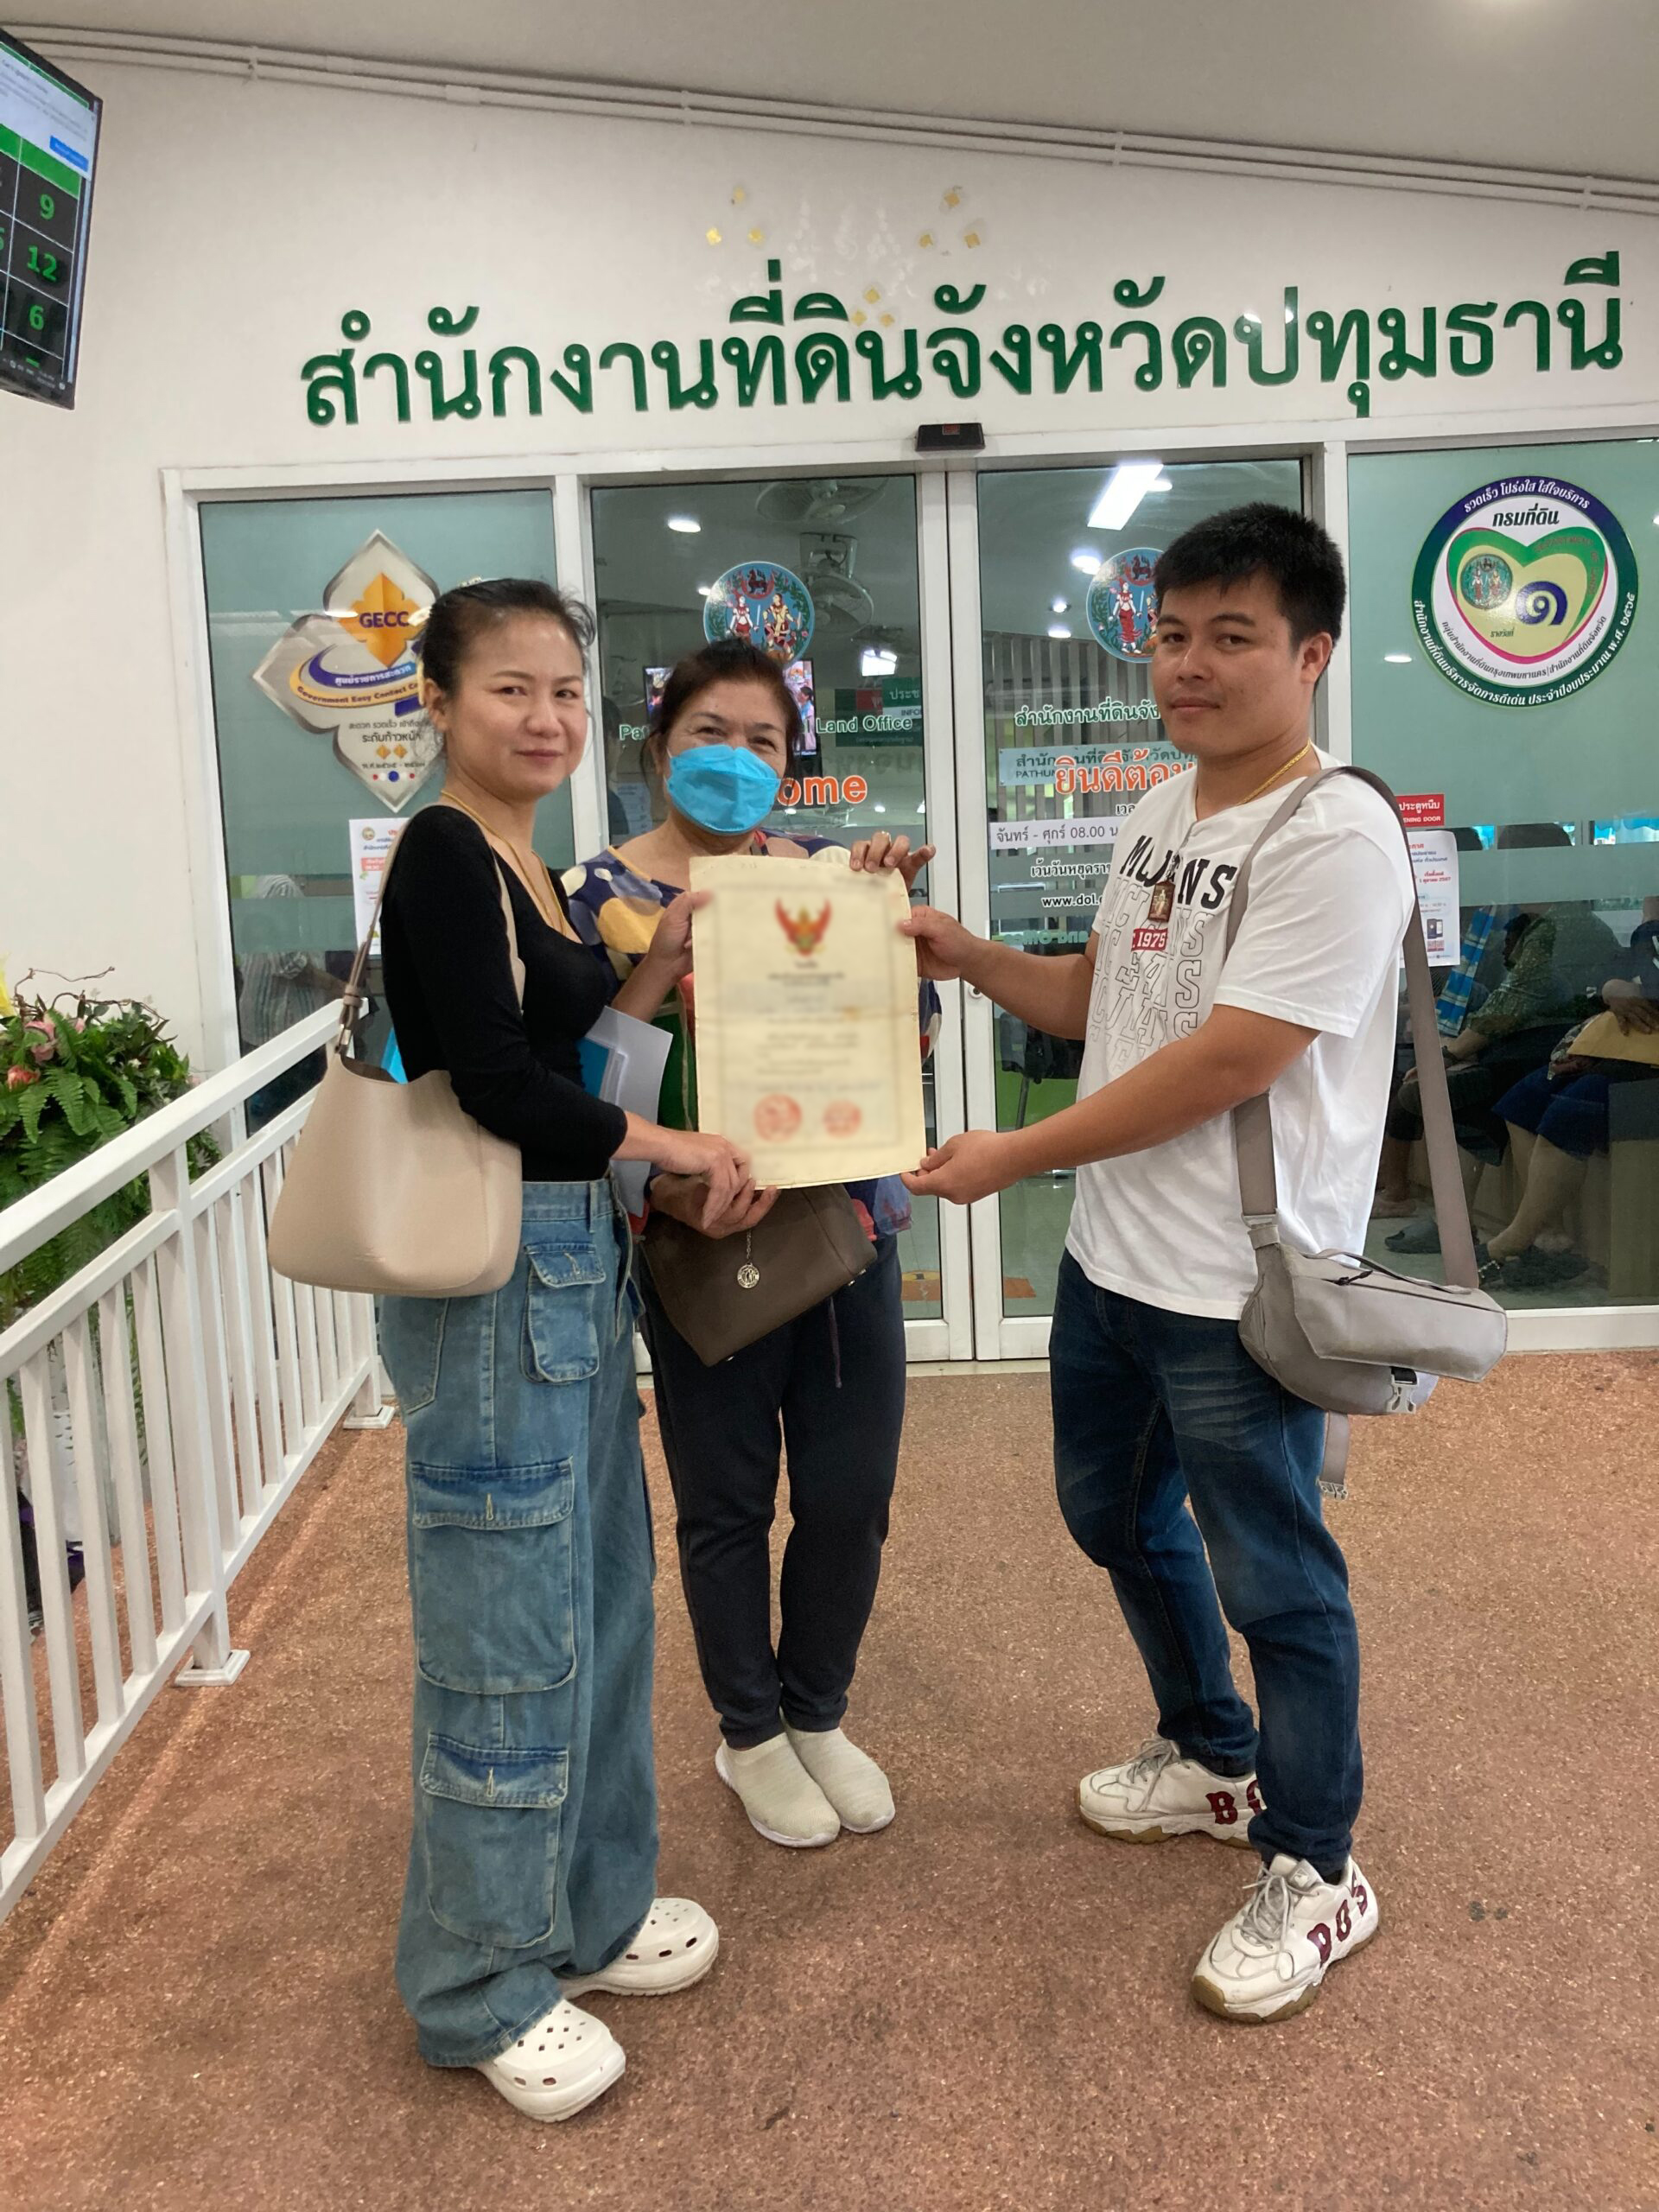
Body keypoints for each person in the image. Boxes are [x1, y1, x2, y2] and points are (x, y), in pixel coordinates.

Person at [900, 505, 1413, 2024]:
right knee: (1110, 1513)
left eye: (1232, 636)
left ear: (1312, 653)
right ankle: (1212, 1756)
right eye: (1173, 634)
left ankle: (1318, 1863)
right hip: (1114, 1265)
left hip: (1241, 1290)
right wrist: (968, 955)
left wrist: (1011, 1154)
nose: (1189, 664)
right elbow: (1099, 1007)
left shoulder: (1334, 836)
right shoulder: (1160, 810)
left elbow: (1230, 1061)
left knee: (1281, 1582)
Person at [375, 579, 747, 2122]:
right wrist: (672, 1143)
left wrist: (659, 966)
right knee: (506, 1633)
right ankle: (475, 1986)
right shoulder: (444, 853)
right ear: (439, 703)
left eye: (567, 692)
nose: (545, 718)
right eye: (510, 689)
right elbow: (497, 1086)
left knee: (596, 1597)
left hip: (570, 1266)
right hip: (490, 1281)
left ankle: (588, 1915)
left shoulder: (526, 855)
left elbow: (567, 1049)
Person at [563, 639, 938, 1851]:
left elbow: (912, 1040)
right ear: (659, 747)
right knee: (726, 1504)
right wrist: (664, 1183)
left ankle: (816, 1711)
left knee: (851, 1494)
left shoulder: (827, 875)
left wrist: (888, 924)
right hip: (696, 1243)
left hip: (840, 1232)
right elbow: (580, 1086)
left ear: (792, 761)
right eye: (708, 735)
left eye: (762, 741)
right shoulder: (595, 897)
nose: (734, 759)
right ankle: (750, 1734)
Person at [1373, 826, 1621, 1235]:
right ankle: (1459, 1221)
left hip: (1540, 1050)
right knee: (1441, 1094)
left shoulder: (1557, 928)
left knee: (1437, 1093)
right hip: (1517, 1047)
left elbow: (1511, 1003)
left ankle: (1527, 1233)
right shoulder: (1534, 923)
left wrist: (1450, 1053)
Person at [1480, 903, 1659, 1287]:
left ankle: (1515, 1238)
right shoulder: (1646, 929)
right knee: (1524, 1099)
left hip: (1647, 1062)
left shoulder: (1566, 928)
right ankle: (1549, 1231)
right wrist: (1613, 988)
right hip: (1635, 1044)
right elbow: (1621, 971)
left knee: (1571, 1110)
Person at [237, 874, 348, 1125]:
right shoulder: (282, 888)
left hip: (265, 1027)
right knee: (297, 1118)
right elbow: (287, 961)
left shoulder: (264, 884)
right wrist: (336, 986)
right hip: (283, 1030)